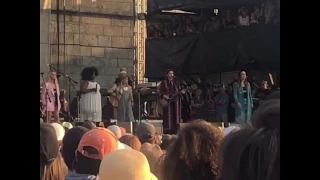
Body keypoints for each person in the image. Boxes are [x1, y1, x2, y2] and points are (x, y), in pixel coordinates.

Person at [159, 69, 183, 134]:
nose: (171, 75)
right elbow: (159, 92)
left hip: (175, 101)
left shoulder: (176, 82)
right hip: (167, 102)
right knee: (168, 117)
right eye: (170, 73)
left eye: (172, 73)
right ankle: (168, 131)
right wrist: (164, 96)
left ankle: (176, 130)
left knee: (175, 115)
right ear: (167, 75)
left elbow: (179, 91)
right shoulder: (164, 83)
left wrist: (181, 92)